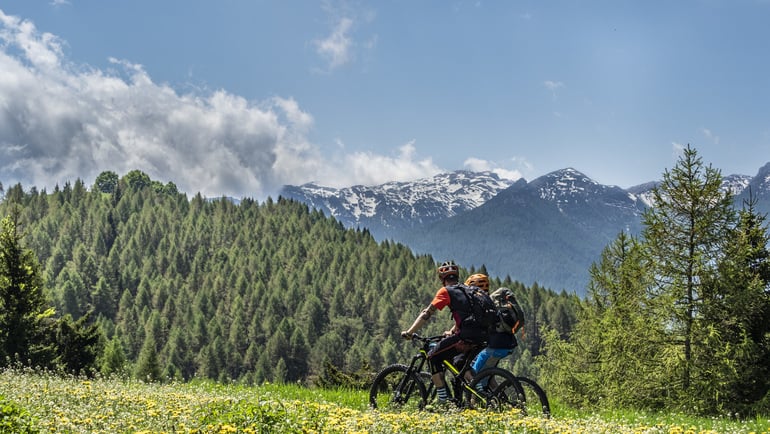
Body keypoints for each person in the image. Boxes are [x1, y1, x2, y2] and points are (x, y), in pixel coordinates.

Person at [401, 260, 488, 405]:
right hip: (482, 335)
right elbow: (467, 316)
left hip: (466, 335)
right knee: (459, 362)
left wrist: (410, 332)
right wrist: (453, 331)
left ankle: (443, 400)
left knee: (433, 356)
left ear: (442, 279)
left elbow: (426, 314)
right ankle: (480, 391)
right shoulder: (467, 289)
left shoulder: (445, 291)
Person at [466, 274, 519, 376]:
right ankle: (496, 391)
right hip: (509, 344)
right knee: (486, 377)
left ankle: (475, 389)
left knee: (474, 376)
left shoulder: (482, 304)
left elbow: (474, 326)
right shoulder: (492, 302)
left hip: (496, 347)